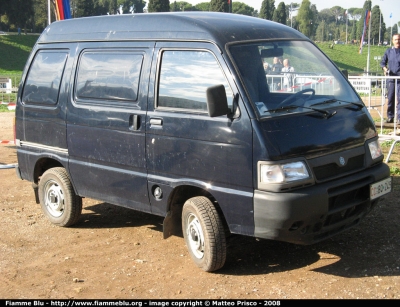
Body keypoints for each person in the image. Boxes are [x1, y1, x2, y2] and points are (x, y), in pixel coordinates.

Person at [380, 33, 400, 124]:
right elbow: (383, 63)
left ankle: (399, 118)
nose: (397, 41)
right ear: (392, 41)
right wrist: (385, 69)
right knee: (390, 98)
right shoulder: (388, 51)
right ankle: (390, 117)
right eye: (395, 39)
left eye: (399, 39)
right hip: (391, 79)